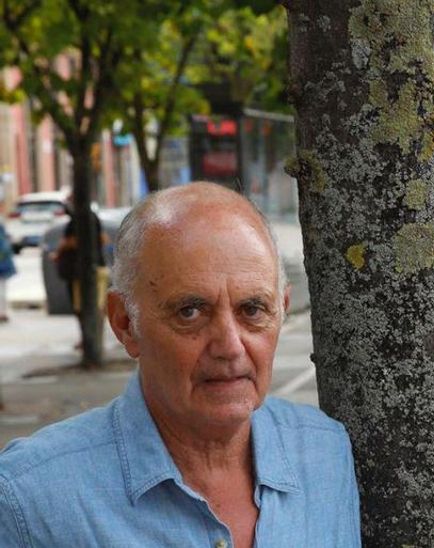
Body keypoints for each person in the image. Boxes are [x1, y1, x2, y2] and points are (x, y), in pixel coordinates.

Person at [0, 183, 360, 547]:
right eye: (190, 311)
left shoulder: (325, 453)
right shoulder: (31, 500)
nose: (229, 347)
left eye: (252, 310)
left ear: (282, 309)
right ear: (125, 323)